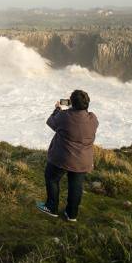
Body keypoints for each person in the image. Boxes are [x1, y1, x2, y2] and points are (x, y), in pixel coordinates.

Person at [36, 89, 98, 222]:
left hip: (62, 158)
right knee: (76, 186)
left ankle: (51, 208)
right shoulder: (93, 119)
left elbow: (51, 122)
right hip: (82, 161)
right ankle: (72, 215)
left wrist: (58, 109)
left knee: (51, 178)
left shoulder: (64, 116)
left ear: (72, 103)